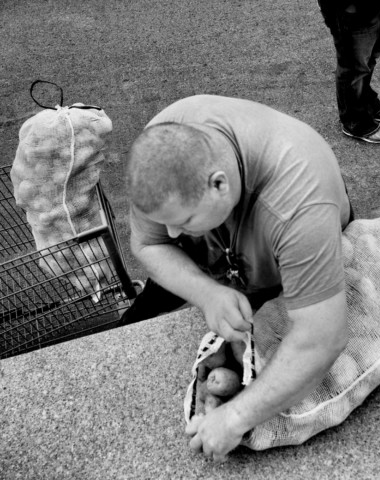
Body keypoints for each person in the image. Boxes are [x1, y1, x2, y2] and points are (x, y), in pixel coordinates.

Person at [125, 94, 353, 461]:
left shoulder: (300, 209)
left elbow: (322, 337)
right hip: (227, 240)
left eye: (184, 221)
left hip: (287, 239)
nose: (171, 234)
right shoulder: (160, 155)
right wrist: (207, 293)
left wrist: (234, 418)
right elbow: (148, 244)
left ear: (219, 184)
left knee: (288, 324)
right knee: (144, 310)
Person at [318, 0, 380, 143]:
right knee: (353, 66)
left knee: (371, 56)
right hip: (354, 7)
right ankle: (354, 121)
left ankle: (365, 102)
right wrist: (348, 7)